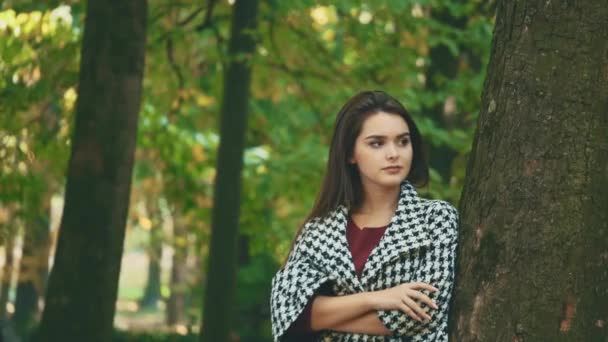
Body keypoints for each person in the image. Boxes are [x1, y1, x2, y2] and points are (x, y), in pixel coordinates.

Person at [270, 90, 460, 341]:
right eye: (377, 143)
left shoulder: (436, 219)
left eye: (403, 141)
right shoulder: (319, 231)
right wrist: (378, 298)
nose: (394, 153)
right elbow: (288, 313)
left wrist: (325, 318)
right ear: (350, 153)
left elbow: (424, 316)